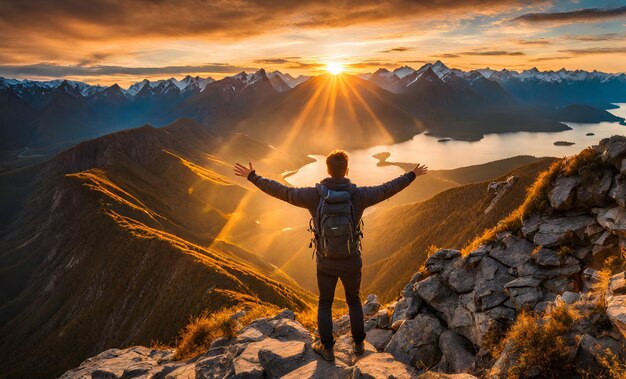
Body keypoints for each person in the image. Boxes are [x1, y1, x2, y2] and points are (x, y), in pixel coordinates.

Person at [234, 150, 427, 361]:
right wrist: (412, 174)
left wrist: (252, 177)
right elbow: (387, 189)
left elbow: (282, 191)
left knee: (325, 302)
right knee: (354, 301)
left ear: (327, 169)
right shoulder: (358, 195)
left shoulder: (314, 195)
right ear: (347, 170)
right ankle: (359, 346)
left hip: (325, 262)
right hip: (351, 260)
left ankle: (326, 348)